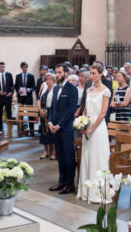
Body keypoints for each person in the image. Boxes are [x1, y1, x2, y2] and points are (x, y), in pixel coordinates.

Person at [77, 64, 111, 203]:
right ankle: (86, 191)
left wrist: (92, 128)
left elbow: (103, 113)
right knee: (87, 158)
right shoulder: (89, 90)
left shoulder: (106, 91)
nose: (91, 76)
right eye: (90, 73)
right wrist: (82, 122)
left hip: (99, 129)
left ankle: (97, 192)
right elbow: (85, 109)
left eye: (94, 73)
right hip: (88, 126)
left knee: (97, 158)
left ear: (101, 74)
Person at [48, 63, 78, 195]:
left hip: (65, 128)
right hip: (55, 128)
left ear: (66, 73)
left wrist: (59, 125)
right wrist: (50, 122)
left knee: (68, 156)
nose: (57, 75)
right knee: (59, 156)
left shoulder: (72, 89)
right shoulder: (55, 89)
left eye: (60, 72)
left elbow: (70, 110)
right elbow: (52, 108)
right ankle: (61, 181)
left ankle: (69, 184)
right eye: (56, 72)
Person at [37, 72, 56, 160]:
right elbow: (39, 99)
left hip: (51, 113)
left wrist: (47, 112)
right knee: (44, 133)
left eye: (50, 79)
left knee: (51, 133)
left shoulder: (56, 89)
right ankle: (45, 151)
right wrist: (40, 110)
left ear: (54, 80)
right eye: (46, 79)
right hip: (42, 113)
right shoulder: (44, 87)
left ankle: (54, 152)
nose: (48, 81)